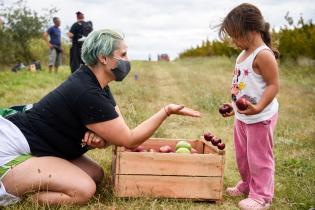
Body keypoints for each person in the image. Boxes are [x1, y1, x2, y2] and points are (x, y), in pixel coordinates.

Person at [0, 29, 201, 206]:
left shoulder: (97, 84)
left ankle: (34, 176)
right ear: (103, 58)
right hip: (10, 149)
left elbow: (118, 131)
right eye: (123, 54)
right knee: (83, 190)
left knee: (95, 174)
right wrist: (165, 111)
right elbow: (129, 139)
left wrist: (103, 139)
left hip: (39, 145)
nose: (127, 60)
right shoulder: (87, 91)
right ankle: (24, 195)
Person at [219, 3, 279, 210]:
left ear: (252, 30)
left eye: (236, 35)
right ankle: (247, 185)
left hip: (260, 117)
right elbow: (241, 85)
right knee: (243, 156)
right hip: (243, 116)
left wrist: (260, 107)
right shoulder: (242, 54)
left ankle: (262, 196)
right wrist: (233, 105)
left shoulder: (263, 54)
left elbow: (273, 85)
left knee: (259, 158)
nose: (234, 41)